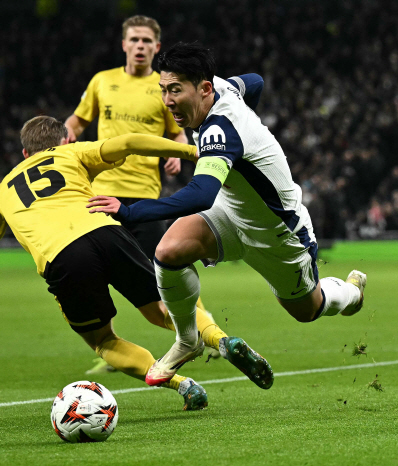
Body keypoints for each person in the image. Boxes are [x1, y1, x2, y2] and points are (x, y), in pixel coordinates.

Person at [88, 42, 366, 387]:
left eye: (175, 90)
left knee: (308, 310)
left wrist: (130, 211)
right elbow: (256, 81)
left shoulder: (221, 129)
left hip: (278, 234)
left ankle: (352, 293)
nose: (168, 100)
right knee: (168, 251)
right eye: (163, 89)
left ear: (204, 88)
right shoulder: (221, 88)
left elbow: (201, 194)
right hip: (230, 212)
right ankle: (188, 339)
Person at [0, 116, 235, 410]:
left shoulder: (1, 192)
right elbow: (129, 142)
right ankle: (221, 340)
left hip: (64, 257)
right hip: (108, 232)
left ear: (25, 153)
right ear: (64, 140)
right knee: (163, 310)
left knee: (104, 340)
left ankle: (182, 384)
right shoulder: (71, 153)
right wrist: (193, 152)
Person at [65, 15, 217, 374]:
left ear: (156, 47)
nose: (140, 46)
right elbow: (76, 121)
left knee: (161, 274)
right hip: (99, 196)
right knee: (92, 274)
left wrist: (176, 152)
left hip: (145, 199)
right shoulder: (102, 82)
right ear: (123, 44)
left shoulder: (165, 86)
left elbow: (177, 133)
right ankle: (111, 345)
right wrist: (66, 135)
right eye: (134, 39)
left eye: (147, 41)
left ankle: (207, 329)